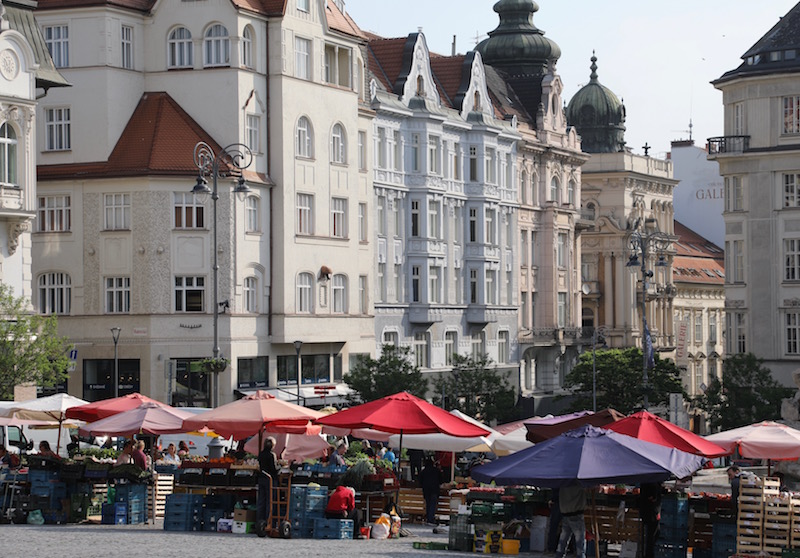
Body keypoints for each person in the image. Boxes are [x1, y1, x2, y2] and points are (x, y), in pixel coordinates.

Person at [556, 484, 587, 558]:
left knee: (563, 541)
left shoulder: (564, 479)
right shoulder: (578, 480)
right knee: (580, 543)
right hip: (576, 512)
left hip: (565, 512)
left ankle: (559, 556)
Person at [257, 437, 279, 525]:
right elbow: (274, 468)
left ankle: (259, 521)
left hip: (261, 478)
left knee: (261, 501)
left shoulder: (261, 454)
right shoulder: (271, 455)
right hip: (270, 479)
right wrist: (279, 466)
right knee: (270, 501)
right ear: (273, 445)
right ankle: (269, 522)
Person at [639, 482, 662, 558]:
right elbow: (652, 497)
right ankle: (649, 554)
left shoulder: (647, 482)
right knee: (652, 534)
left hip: (651, 511)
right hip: (651, 511)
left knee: (653, 533)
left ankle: (649, 553)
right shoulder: (651, 483)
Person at [419, 457, 441, 526]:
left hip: (426, 489)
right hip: (434, 489)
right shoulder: (436, 470)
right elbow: (441, 479)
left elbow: (420, 481)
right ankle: (430, 519)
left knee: (428, 504)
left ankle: (429, 517)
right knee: (433, 504)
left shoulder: (423, 471)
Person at [547, 488, 562, 553]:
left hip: (557, 502)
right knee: (570, 527)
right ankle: (574, 549)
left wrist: (553, 499)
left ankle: (551, 548)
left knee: (553, 527)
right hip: (566, 502)